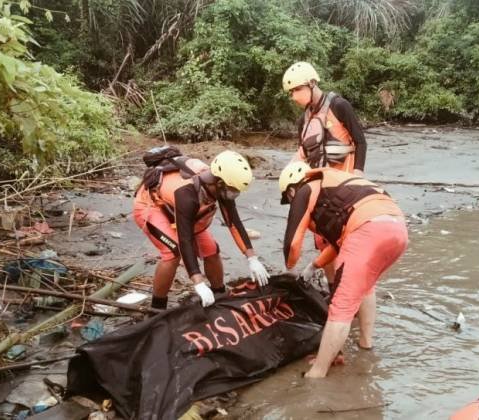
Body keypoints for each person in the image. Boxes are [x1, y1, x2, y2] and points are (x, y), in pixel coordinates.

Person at [278, 161, 408, 378]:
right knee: (364, 287)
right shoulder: (338, 184)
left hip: (367, 231)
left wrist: (290, 267)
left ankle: (317, 373)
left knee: (341, 306)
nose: (292, 202)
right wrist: (314, 265)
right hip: (397, 229)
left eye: (288, 198)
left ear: (292, 188)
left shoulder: (305, 189)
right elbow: (337, 246)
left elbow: (292, 245)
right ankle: (366, 344)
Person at [133, 150, 270, 310]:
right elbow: (185, 239)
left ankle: (218, 294)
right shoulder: (187, 193)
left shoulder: (222, 186)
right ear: (218, 183)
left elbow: (234, 223)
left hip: (186, 211)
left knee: (211, 250)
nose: (234, 195)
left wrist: (252, 258)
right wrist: (198, 282)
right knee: (173, 252)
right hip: (152, 206)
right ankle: (157, 307)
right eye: (233, 191)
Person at [282, 61, 368, 282]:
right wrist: (288, 176)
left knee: (344, 238)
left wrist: (358, 172)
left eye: (297, 90)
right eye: (291, 92)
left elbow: (360, 141)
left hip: (344, 182)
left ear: (312, 84)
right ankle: (332, 288)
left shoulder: (339, 106)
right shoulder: (304, 119)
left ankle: (348, 284)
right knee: (322, 239)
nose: (294, 96)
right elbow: (302, 152)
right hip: (321, 185)